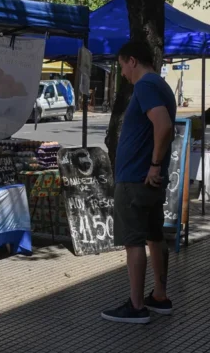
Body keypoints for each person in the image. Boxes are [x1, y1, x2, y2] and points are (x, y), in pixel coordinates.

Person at [101, 40, 176, 324]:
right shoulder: (161, 85)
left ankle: (135, 306)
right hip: (147, 179)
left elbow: (164, 125)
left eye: (121, 66)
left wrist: (154, 164)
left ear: (132, 60)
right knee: (154, 236)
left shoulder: (145, 86)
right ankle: (159, 296)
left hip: (137, 178)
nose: (122, 73)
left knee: (133, 242)